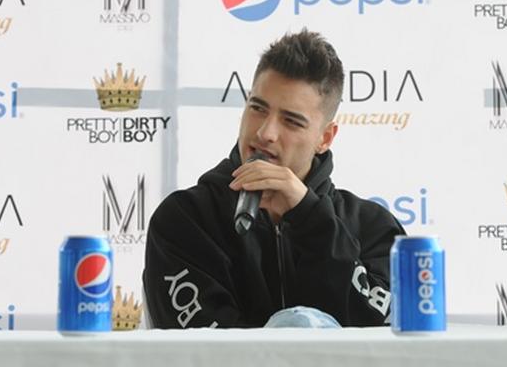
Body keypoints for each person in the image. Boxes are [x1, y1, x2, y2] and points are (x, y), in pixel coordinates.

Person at [142, 29, 406, 328]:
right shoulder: (184, 220)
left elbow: (376, 338)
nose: (265, 132)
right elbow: (202, 349)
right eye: (258, 108)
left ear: (325, 137)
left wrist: (310, 219)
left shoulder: (376, 229)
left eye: (291, 121)